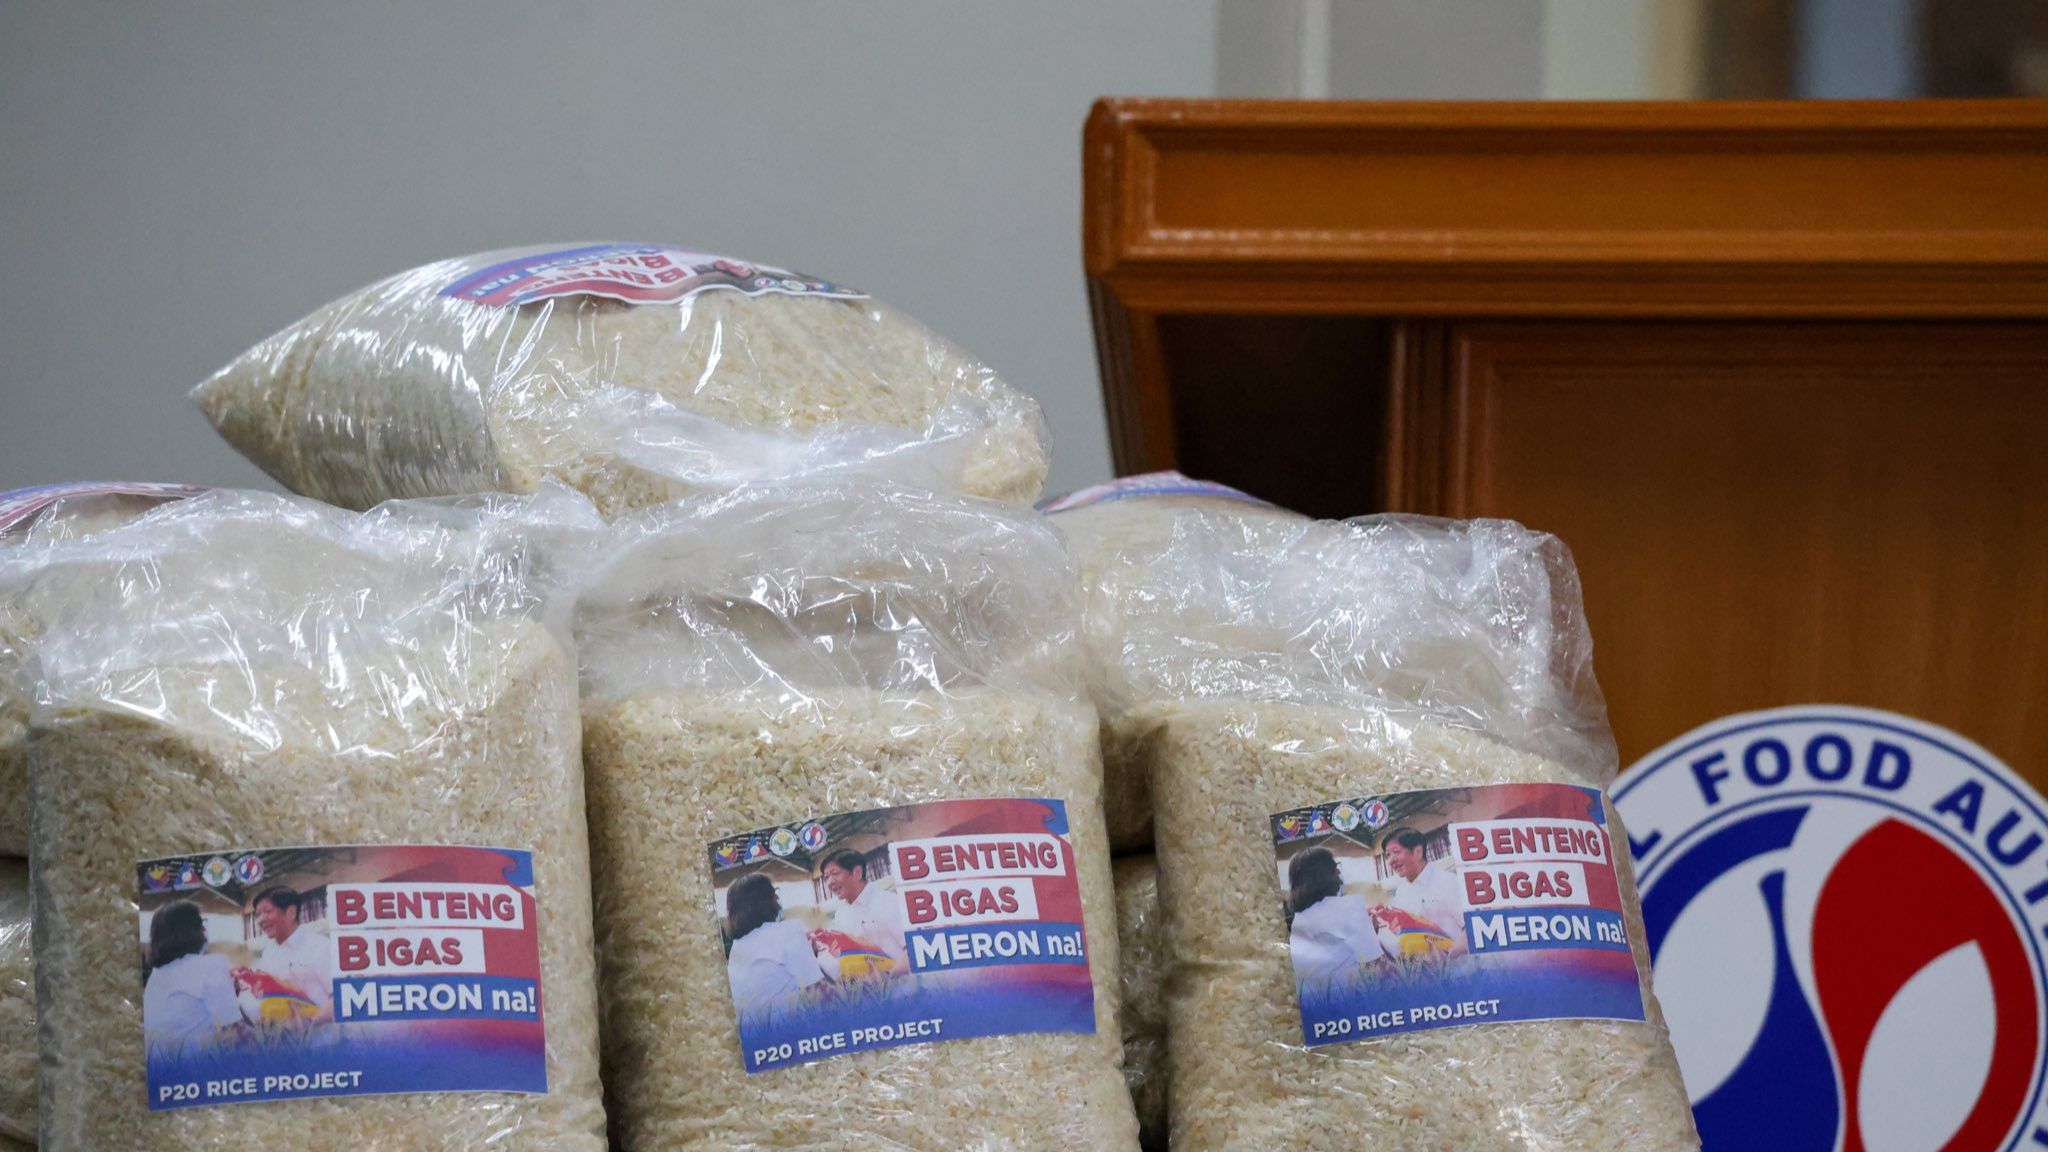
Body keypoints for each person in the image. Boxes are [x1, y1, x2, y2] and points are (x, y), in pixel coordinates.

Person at [725, 873, 835, 1017]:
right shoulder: (789, 930)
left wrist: (809, 954)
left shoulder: (737, 947)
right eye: (774, 892)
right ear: (768, 900)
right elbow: (822, 994)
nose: (777, 897)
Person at [142, 901, 243, 1050]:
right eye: (201, 923)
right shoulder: (211, 965)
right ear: (192, 930)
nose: (204, 929)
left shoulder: (156, 976)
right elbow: (236, 1034)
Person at [1285, 847, 1387, 988]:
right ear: (1325, 875)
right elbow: (1377, 967)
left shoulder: (1298, 920)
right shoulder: (1348, 907)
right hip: (1351, 993)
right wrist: (1373, 935)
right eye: (1335, 868)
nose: (1339, 872)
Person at [1382, 828, 1468, 957]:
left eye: (1396, 852)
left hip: (1460, 964)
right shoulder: (1401, 892)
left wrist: (1452, 954)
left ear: (1418, 852)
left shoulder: (1447, 881)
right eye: (1388, 855)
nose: (1391, 861)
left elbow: (1472, 926)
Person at [250, 885, 332, 1021]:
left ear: (291, 912)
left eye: (268, 911)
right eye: (258, 914)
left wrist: (312, 1023)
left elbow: (340, 996)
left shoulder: (320, 946)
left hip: (322, 1032)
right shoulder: (268, 953)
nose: (261, 920)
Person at [818, 848, 907, 973]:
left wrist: (888, 975)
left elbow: (914, 950)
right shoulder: (841, 915)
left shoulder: (888, 902)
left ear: (857, 872)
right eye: (826, 877)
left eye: (835, 874)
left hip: (903, 982)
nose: (829, 882)